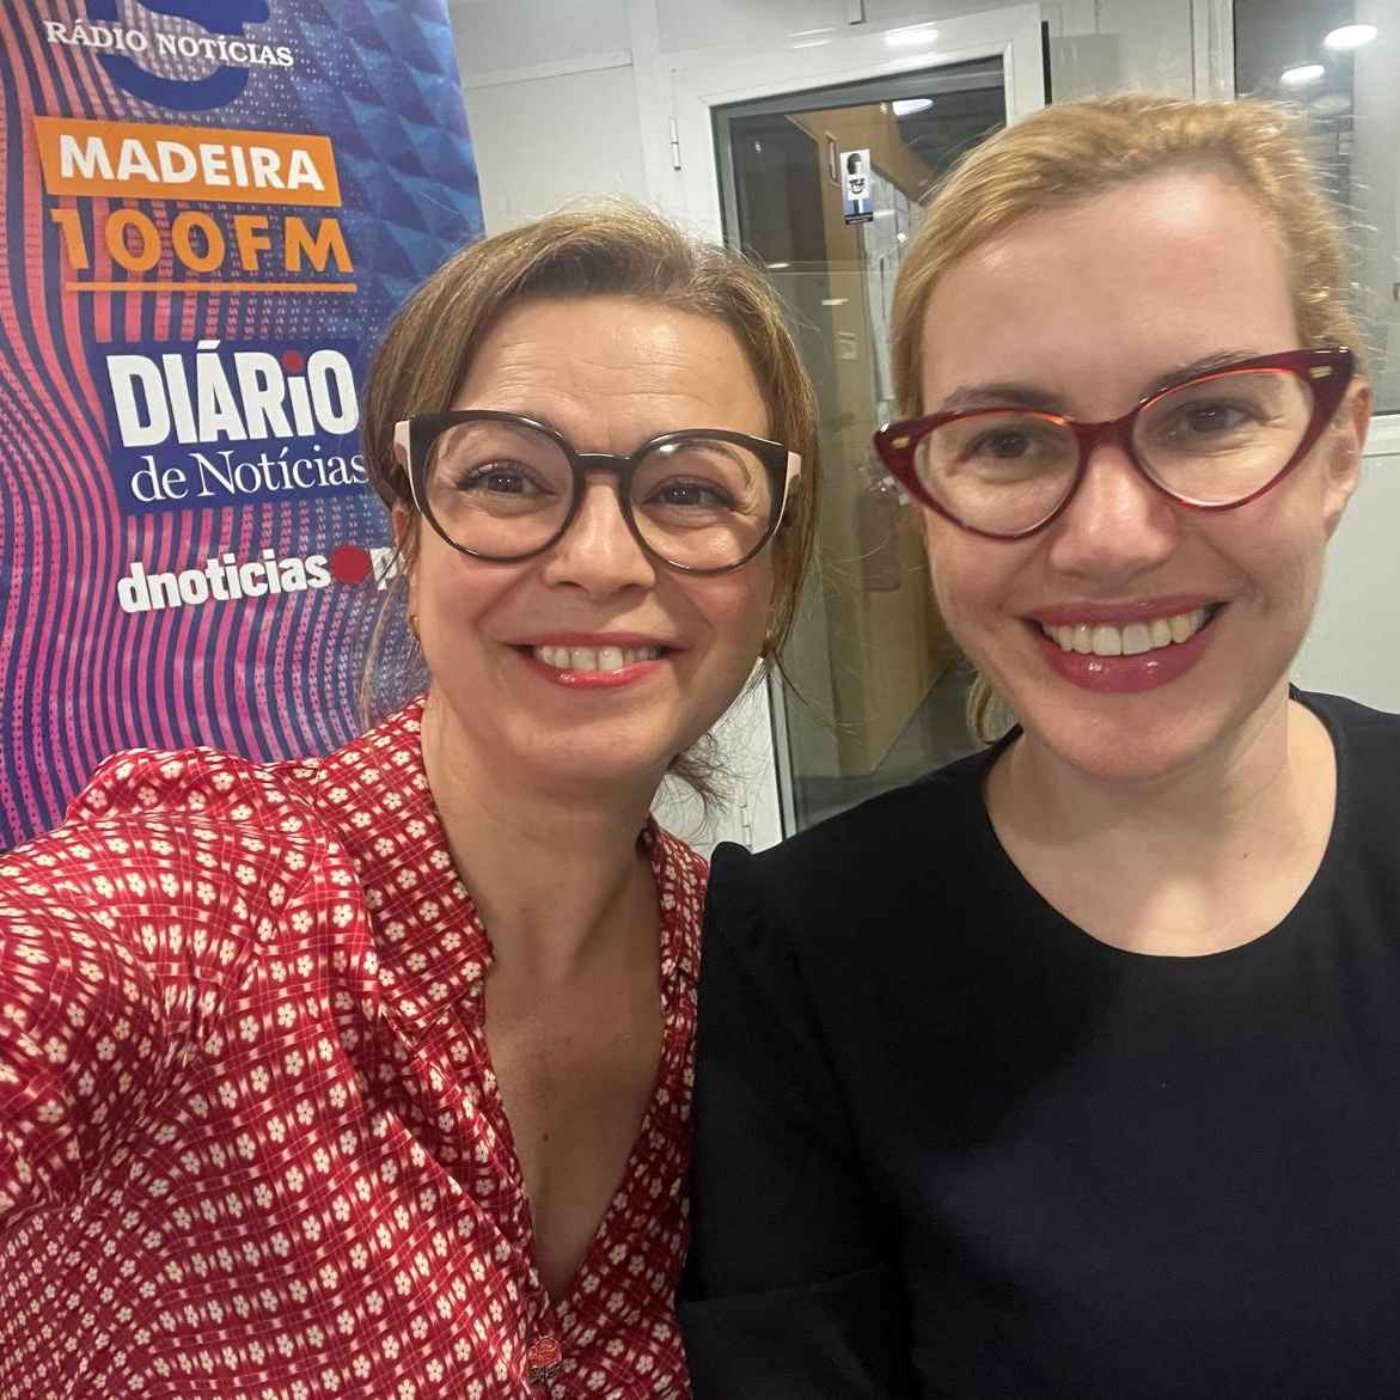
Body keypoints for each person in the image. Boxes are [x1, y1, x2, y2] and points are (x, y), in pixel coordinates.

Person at [0, 202, 818, 1399]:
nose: (599, 559)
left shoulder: (745, 981)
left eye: (689, 491)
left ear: (771, 571)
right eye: (505, 477)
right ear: (409, 537)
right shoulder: (197, 916)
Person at [680, 94, 1400, 1399]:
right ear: (920, 493)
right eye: (1007, 442)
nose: (1110, 538)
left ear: (1336, 446)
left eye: (1206, 417)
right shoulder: (806, 954)